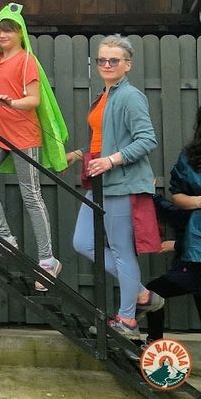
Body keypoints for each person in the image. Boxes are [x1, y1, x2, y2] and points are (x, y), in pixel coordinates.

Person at [0, 6, 64, 287]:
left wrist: (11, 102)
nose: (3, 35)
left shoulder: (26, 61)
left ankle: (48, 260)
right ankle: (5, 237)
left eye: (8, 30)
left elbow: (33, 100)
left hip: (24, 137)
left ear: (20, 33)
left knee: (31, 195)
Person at [70, 35, 159, 339]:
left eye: (114, 60)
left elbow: (147, 140)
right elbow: (104, 139)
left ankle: (128, 321)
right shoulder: (105, 95)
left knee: (121, 251)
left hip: (122, 184)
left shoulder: (131, 96)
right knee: (83, 242)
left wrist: (111, 161)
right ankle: (142, 294)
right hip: (100, 181)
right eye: (102, 60)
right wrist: (79, 155)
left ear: (127, 65)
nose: (106, 65)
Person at [142, 106, 201, 343]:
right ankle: (154, 347)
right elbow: (178, 201)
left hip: (191, 254)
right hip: (195, 254)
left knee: (152, 292)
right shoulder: (190, 158)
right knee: (152, 292)